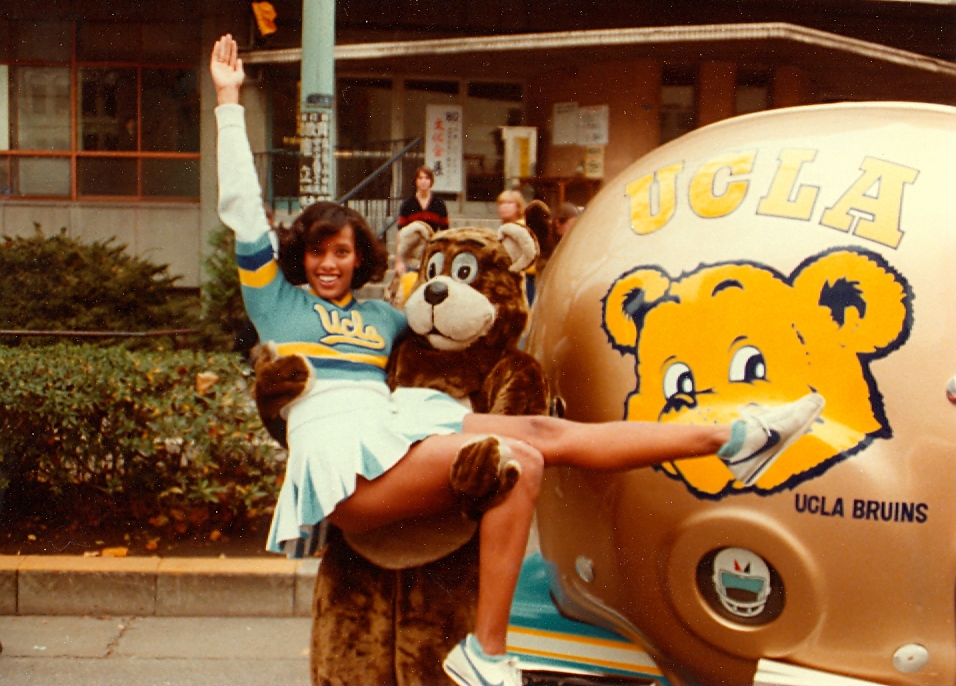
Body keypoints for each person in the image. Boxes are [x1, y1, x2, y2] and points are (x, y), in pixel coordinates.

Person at [211, 35, 824, 686]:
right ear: (299, 256)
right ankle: (488, 650)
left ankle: (732, 438)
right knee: (517, 461)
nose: (328, 264)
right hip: (346, 462)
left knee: (544, 434)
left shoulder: (384, 316)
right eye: (316, 252)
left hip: (392, 425)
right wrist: (228, 99)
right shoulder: (277, 306)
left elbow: (473, 319)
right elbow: (243, 214)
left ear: (360, 256)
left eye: (341, 252)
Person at [394, 165, 448, 276]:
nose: (423, 181)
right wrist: (399, 261)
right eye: (420, 178)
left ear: (431, 181)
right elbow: (400, 234)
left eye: (427, 178)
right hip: (411, 254)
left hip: (431, 252)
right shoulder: (407, 204)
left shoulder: (439, 204)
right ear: (416, 181)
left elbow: (445, 232)